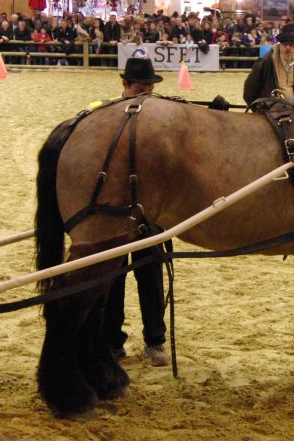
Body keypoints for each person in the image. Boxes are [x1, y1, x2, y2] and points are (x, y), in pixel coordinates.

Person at [102, 57, 169, 367]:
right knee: (112, 280)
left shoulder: (161, 120)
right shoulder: (106, 118)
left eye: (149, 91)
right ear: (125, 86)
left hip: (149, 212)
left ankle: (155, 341)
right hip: (116, 212)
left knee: (151, 275)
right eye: (140, 89)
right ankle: (113, 343)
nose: (146, 96)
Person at [243, 23, 294, 107]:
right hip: (270, 112)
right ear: (280, 45)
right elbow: (249, 91)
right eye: (285, 44)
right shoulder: (266, 63)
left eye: (291, 45)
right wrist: (258, 109)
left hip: (292, 111)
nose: (288, 47)